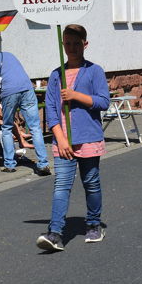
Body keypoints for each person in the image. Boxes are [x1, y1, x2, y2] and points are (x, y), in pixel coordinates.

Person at [36, 24, 110, 252]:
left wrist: (77, 95)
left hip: (88, 136)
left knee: (91, 183)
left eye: (76, 43)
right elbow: (50, 108)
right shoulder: (56, 75)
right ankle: (55, 233)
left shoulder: (94, 71)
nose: (72, 48)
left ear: (85, 44)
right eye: (67, 43)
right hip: (64, 140)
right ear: (63, 45)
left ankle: (94, 224)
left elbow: (103, 102)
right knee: (61, 186)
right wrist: (60, 138)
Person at [0, 46, 50, 175]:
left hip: (10, 92)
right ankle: (43, 163)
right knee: (35, 127)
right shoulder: (9, 55)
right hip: (27, 88)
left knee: (6, 127)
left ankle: (10, 164)